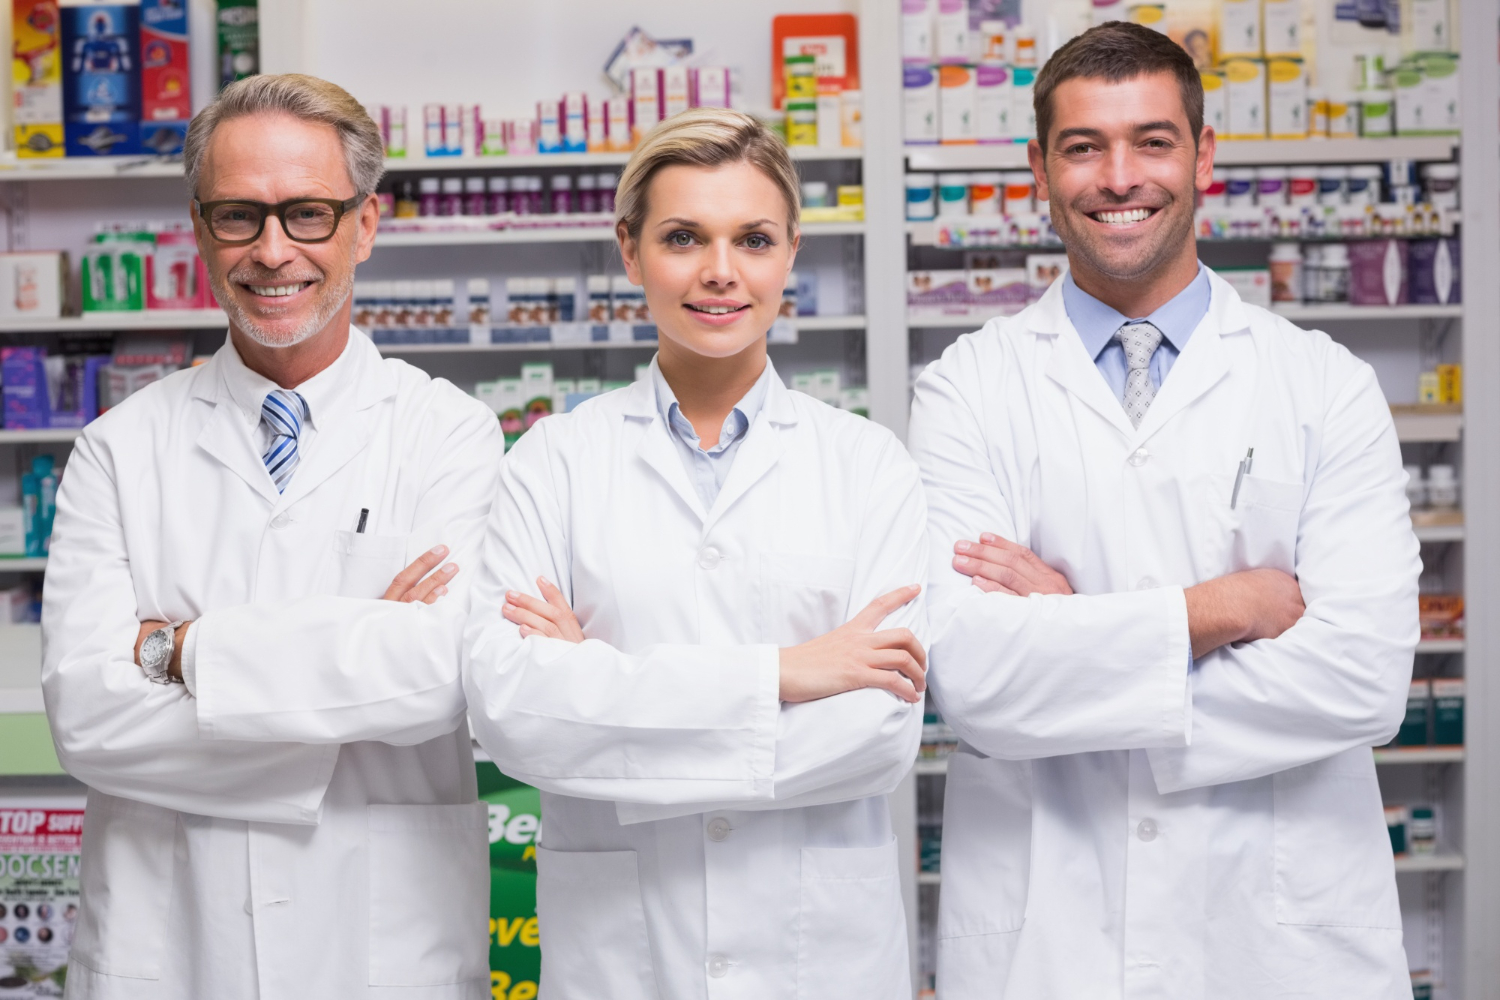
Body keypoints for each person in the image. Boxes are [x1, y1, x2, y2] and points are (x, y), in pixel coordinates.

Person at [908, 22, 1420, 999]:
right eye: (1083, 146)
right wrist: (1219, 610)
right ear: (1039, 169)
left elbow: (1363, 677)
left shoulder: (1323, 385)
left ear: (1203, 157)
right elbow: (974, 678)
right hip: (1051, 945)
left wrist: (1065, 630)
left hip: (1279, 945)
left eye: (1151, 140)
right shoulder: (965, 390)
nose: (1119, 175)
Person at [42, 74, 501, 1000]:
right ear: (201, 229)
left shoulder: (449, 432)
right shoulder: (119, 447)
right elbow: (88, 718)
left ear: (365, 226)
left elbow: (436, 679)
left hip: (383, 950)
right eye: (239, 217)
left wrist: (179, 650)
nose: (272, 251)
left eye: (307, 214)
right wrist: (352, 657)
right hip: (170, 950)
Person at [463, 107, 928, 998]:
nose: (720, 272)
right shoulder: (553, 461)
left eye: (753, 238)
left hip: (818, 957)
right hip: (619, 957)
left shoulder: (870, 466)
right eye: (683, 237)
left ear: (791, 251)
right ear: (630, 251)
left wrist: (602, 687)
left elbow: (876, 737)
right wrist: (789, 675)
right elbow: (512, 715)